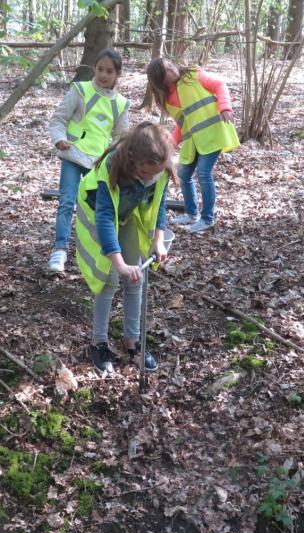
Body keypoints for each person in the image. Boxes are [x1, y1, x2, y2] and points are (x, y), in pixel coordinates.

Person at [75, 122, 175, 372]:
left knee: (135, 279)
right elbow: (106, 218)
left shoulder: (160, 167)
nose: (152, 178)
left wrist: (158, 240)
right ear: (134, 162)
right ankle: (99, 342)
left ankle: (133, 340)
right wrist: (118, 263)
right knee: (107, 281)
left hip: (128, 216)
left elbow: (160, 202)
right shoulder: (111, 169)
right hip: (99, 217)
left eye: (156, 172)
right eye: (146, 172)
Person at [46, 48, 130, 273]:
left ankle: (96, 253)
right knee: (66, 201)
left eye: (109, 71)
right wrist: (59, 139)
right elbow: (58, 119)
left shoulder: (121, 103)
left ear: (117, 74)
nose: (103, 75)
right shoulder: (80, 90)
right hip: (73, 155)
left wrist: (118, 161)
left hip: (99, 165)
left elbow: (122, 137)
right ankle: (60, 250)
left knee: (98, 208)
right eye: (100, 69)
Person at [146, 58, 240, 233]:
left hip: (213, 132)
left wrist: (225, 107)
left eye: (170, 65)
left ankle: (207, 218)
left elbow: (220, 85)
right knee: (183, 173)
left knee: (204, 172)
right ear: (159, 79)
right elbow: (184, 124)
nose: (172, 69)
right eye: (166, 70)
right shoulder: (167, 99)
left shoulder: (193, 75)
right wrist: (170, 144)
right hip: (194, 141)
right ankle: (191, 213)